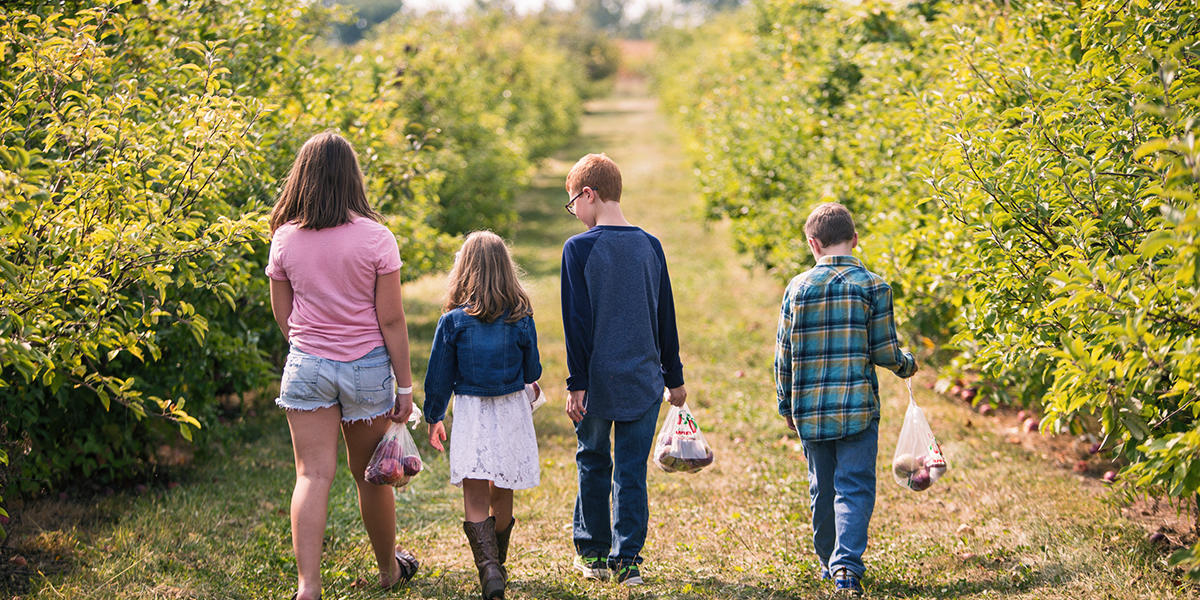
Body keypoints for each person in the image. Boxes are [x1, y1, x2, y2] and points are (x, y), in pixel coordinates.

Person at [266, 132, 419, 600]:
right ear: (353, 178)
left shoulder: (286, 238)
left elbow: (283, 315)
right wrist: (406, 388)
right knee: (370, 475)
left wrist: (310, 347)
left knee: (312, 475)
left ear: (303, 177)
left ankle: (308, 587)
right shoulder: (376, 238)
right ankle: (389, 572)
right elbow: (391, 319)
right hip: (366, 369)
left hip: (307, 366)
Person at [774, 202, 918, 598]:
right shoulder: (874, 287)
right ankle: (846, 568)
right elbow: (885, 350)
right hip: (857, 408)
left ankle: (828, 561)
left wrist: (786, 403)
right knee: (853, 486)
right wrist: (906, 365)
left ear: (813, 243)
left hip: (811, 410)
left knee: (822, 486)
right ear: (854, 239)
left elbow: (783, 353)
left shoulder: (797, 288)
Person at [560, 153, 686, 586]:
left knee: (594, 460)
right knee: (631, 470)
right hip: (644, 381)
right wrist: (675, 378)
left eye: (572, 202)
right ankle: (627, 558)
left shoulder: (579, 248)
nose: (574, 212)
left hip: (595, 384)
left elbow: (576, 322)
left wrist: (576, 383)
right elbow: (664, 316)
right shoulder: (651, 245)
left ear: (589, 195)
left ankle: (593, 552)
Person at [423, 231, 543, 600]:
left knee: (475, 493)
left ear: (464, 270)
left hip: (472, 413)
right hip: (509, 411)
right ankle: (498, 564)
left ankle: (488, 568)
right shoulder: (521, 318)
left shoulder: (453, 322)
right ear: (507, 270)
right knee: (501, 488)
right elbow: (532, 372)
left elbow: (438, 376)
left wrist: (434, 416)